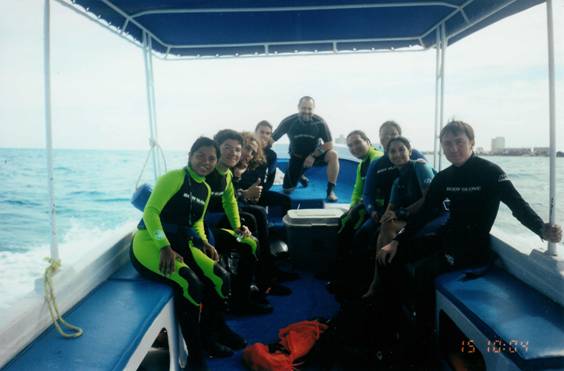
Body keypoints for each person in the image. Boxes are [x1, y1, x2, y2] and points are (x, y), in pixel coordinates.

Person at [375, 121, 562, 356]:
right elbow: (424, 214)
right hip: (447, 238)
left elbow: (518, 206)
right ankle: (393, 319)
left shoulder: (491, 172)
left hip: (473, 248)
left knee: (424, 270)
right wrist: (397, 241)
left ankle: (422, 342)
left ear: (472, 143)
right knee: (386, 257)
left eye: (459, 142)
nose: (453, 148)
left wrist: (541, 229)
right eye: (447, 144)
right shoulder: (444, 178)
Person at [130, 137, 245, 370]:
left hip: (182, 242)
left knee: (221, 277)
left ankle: (209, 337)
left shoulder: (205, 187)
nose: (206, 161)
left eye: (211, 158)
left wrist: (203, 242)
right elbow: (151, 213)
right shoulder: (173, 178)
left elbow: (198, 220)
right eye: (200, 155)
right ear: (190, 156)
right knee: (190, 283)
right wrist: (164, 247)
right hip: (150, 243)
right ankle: (196, 356)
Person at [205, 129, 273, 314]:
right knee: (249, 225)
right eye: (227, 148)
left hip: (210, 223)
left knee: (249, 237)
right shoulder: (206, 172)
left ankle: (252, 288)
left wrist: (238, 227)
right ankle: (241, 298)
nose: (234, 153)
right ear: (216, 148)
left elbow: (230, 202)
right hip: (199, 229)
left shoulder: (225, 174)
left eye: (237, 149)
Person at [362, 136, 435, 298]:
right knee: (384, 227)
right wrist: (384, 216)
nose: (397, 154)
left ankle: (381, 284)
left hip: (434, 219)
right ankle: (381, 283)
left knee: (387, 228)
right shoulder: (397, 181)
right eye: (392, 151)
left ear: (410, 151)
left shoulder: (420, 167)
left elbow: (429, 200)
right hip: (415, 219)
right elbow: (390, 209)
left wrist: (398, 214)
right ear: (388, 156)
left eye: (401, 149)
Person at [272, 96, 340, 202]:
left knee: (333, 154)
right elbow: (272, 139)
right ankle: (300, 175)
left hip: (315, 156)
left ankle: (330, 191)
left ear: (314, 108)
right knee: (287, 190)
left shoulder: (319, 122)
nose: (306, 111)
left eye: (309, 109)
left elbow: (329, 144)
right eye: (303, 108)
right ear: (298, 107)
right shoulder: (289, 121)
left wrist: (313, 156)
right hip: (297, 158)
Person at [235, 121, 291, 215]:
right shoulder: (243, 150)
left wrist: (260, 192)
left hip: (258, 192)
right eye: (261, 132)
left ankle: (286, 227)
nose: (264, 135)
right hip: (240, 191)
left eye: (268, 133)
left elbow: (270, 178)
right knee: (259, 212)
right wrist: (246, 193)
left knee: (286, 201)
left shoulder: (271, 155)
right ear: (255, 132)